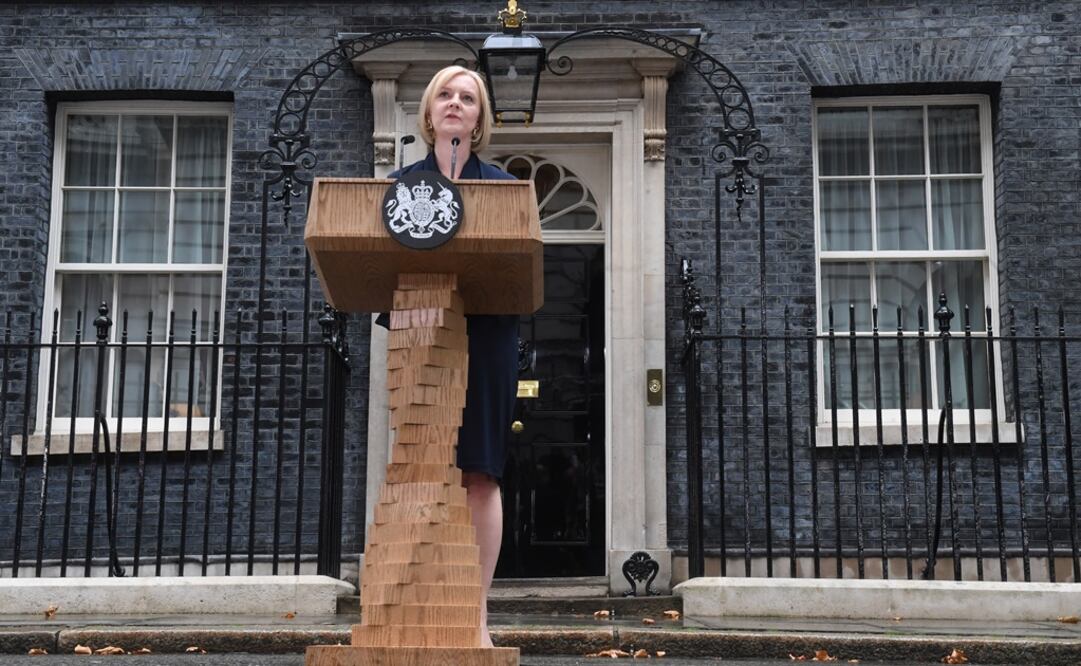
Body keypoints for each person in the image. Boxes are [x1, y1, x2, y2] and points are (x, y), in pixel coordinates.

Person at [379, 64, 517, 648]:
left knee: (479, 474)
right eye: (446, 94)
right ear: (429, 111)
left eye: (468, 97)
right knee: (420, 471)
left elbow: (521, 268)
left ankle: (475, 616)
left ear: (480, 117)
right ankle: (414, 607)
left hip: (486, 335)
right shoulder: (398, 185)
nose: (456, 104)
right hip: (418, 327)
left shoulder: (504, 186)